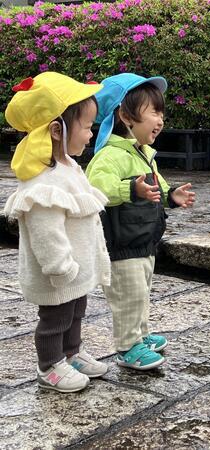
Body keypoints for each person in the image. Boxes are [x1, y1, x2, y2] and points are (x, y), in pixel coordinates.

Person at [4, 72, 111, 393]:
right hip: (59, 271)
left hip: (76, 269)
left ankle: (71, 352)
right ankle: (49, 365)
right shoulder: (43, 181)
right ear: (56, 130)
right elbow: (45, 232)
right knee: (55, 319)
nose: (91, 134)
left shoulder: (69, 166)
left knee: (76, 311)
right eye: (87, 126)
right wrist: (60, 266)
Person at [86, 73, 195, 371]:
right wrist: (130, 189)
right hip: (121, 243)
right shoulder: (109, 156)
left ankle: (141, 335)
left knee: (141, 292)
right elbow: (97, 190)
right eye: (154, 112)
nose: (160, 120)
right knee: (128, 296)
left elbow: (157, 183)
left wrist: (172, 195)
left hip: (143, 239)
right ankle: (127, 346)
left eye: (161, 112)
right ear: (125, 116)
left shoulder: (145, 154)